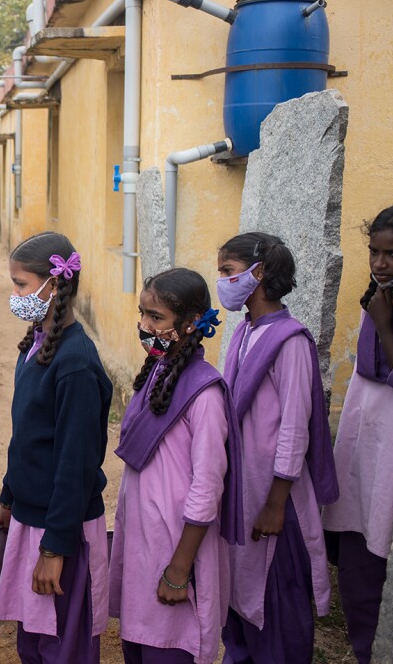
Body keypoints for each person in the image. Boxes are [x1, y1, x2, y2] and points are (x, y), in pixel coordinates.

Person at [215, 233, 338, 664]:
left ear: (259, 273)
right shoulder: (245, 332)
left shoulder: (291, 341)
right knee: (239, 598)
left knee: (276, 601)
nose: (223, 282)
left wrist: (275, 501)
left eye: (228, 272)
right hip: (243, 491)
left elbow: (293, 428)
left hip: (273, 500)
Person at [110, 268, 244, 664]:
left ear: (189, 325)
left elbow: (207, 487)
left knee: (168, 644)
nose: (144, 325)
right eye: (142, 314)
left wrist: (179, 569)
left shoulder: (204, 394)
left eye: (156, 318)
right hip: (143, 543)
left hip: (175, 547)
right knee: (139, 639)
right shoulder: (157, 373)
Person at [0, 232, 113, 663]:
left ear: (54, 285)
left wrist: (55, 550)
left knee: (64, 644)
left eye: (21, 285)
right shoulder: (38, 344)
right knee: (35, 641)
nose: (15, 295)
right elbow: (26, 434)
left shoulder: (75, 362)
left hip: (62, 529)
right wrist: (9, 497)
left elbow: (75, 464)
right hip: (32, 518)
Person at [322, 204, 393, 663]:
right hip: (362, 457)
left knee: (388, 565)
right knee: (357, 574)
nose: (381, 264)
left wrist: (386, 329)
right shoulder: (377, 300)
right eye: (374, 252)